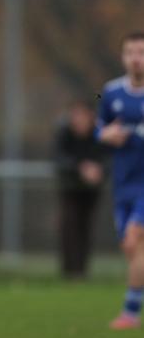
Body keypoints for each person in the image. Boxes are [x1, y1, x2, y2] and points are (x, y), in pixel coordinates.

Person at [97, 32, 144, 330]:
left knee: (133, 239)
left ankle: (130, 312)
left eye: (141, 51)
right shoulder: (111, 92)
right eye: (130, 52)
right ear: (123, 56)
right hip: (122, 184)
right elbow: (99, 128)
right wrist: (106, 135)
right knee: (131, 250)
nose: (136, 57)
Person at [54, 100, 106, 279]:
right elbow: (59, 158)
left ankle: (82, 271)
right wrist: (80, 168)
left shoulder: (99, 133)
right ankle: (69, 271)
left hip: (91, 189)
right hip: (70, 187)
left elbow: (107, 157)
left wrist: (98, 170)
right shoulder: (64, 132)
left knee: (85, 227)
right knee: (69, 226)